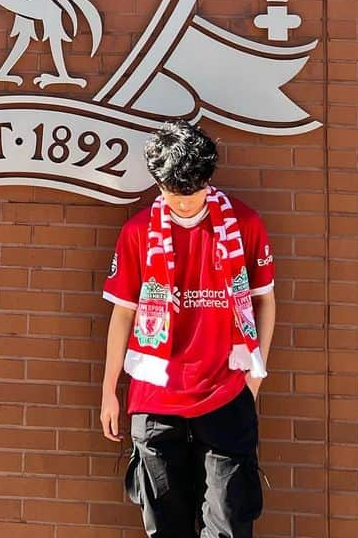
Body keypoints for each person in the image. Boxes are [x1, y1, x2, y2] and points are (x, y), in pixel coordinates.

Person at [100, 119, 276, 538]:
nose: (182, 203)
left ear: (207, 180)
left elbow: (265, 300)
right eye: (171, 192)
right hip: (156, 397)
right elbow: (122, 312)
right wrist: (109, 390)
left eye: (191, 192)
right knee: (165, 526)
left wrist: (256, 374)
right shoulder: (138, 232)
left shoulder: (244, 225)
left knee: (229, 523)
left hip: (226, 390)